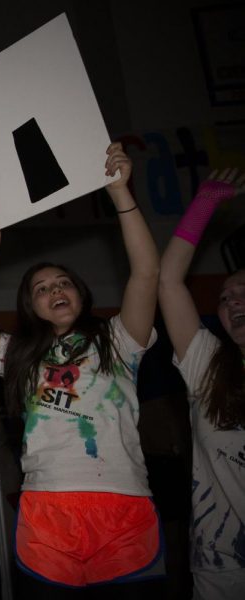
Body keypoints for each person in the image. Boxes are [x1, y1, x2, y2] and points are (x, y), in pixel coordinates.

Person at [0, 143, 164, 596]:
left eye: (63, 282)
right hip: (47, 507)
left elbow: (145, 273)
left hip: (124, 505)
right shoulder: (17, 354)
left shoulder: (119, 338)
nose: (55, 290)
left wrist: (121, 194)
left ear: (80, 293)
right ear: (31, 305)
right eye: (42, 288)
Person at [158, 168, 245, 600]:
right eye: (226, 298)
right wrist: (204, 204)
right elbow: (169, 281)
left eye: (244, 293)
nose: (233, 303)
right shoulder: (208, 366)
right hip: (222, 567)